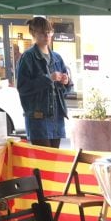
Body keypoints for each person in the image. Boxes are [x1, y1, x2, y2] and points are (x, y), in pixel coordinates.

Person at [16, 16, 72, 148]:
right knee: (43, 160)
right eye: (42, 32)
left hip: (57, 116)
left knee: (54, 159)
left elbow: (68, 88)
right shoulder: (28, 57)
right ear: (33, 33)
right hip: (38, 117)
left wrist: (66, 81)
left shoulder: (57, 57)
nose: (47, 35)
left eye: (49, 31)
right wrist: (49, 78)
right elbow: (23, 88)